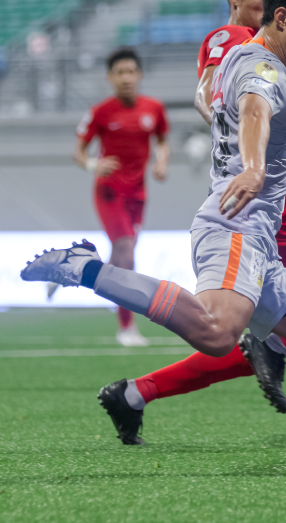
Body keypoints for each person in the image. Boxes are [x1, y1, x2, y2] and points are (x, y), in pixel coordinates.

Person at [23, 0, 286, 475]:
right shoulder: (260, 67)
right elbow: (254, 108)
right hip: (235, 225)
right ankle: (87, 268)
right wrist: (253, 167)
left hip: (260, 237)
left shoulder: (249, 58)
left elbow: (239, 103)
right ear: (281, 17)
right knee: (215, 333)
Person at [66, 48, 169, 347]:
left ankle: (74, 271)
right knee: (126, 252)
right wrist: (92, 164)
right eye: (120, 73)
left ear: (140, 74)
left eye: (131, 72)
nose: (127, 78)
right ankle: (126, 327)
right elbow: (78, 152)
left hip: (138, 195)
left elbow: (162, 140)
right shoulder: (101, 112)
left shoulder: (153, 109)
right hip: (109, 193)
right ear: (110, 77)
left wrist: (161, 161)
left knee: (120, 257)